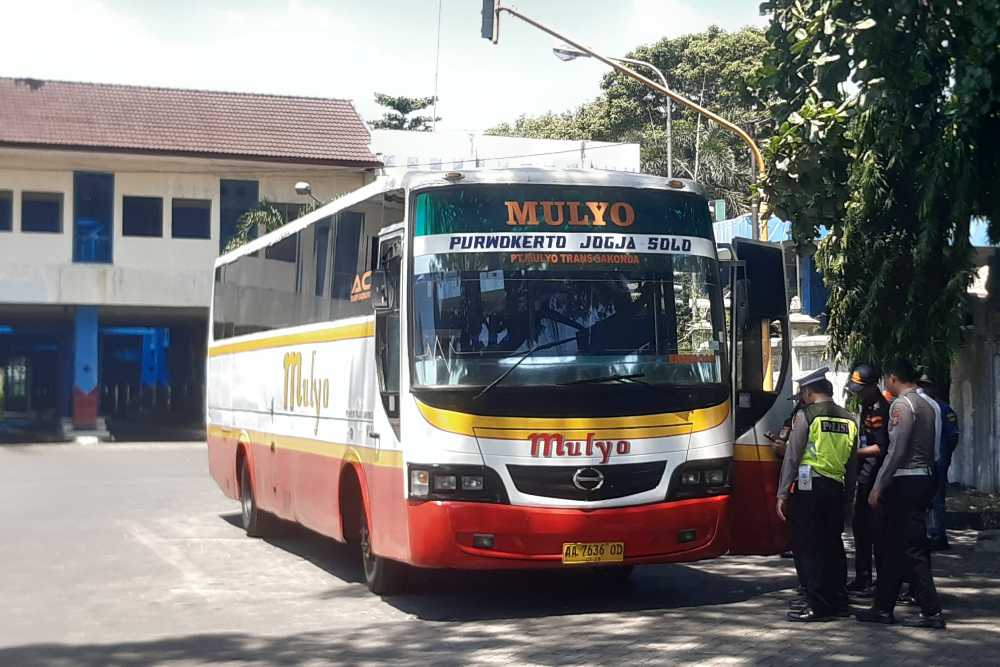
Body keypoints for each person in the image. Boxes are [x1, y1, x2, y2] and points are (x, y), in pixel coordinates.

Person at [856, 358, 946, 629]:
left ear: (893, 378)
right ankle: (883, 607)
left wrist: (879, 485)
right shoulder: (930, 405)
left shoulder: (901, 405)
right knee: (893, 546)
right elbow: (938, 448)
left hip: (904, 482)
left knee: (910, 547)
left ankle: (931, 610)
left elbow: (896, 450)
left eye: (886, 380)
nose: (885, 384)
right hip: (925, 477)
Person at [777, 368, 859, 622]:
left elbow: (792, 456)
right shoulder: (850, 419)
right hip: (836, 488)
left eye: (803, 392)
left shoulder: (806, 416)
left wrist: (782, 493)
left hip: (809, 488)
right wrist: (848, 498)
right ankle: (839, 601)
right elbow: (853, 464)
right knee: (833, 546)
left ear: (809, 392)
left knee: (809, 547)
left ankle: (818, 605)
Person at [845, 363, 890, 596]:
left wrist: (853, 453)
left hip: (873, 476)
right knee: (860, 529)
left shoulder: (880, 409)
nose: (857, 393)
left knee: (874, 531)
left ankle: (879, 582)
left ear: (873, 386)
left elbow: (881, 447)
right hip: (864, 475)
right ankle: (863, 577)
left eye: (861, 389)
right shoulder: (867, 405)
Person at [918, 376, 960, 551]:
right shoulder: (923, 408)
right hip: (927, 461)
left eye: (926, 386)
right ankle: (929, 534)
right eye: (921, 386)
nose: (923, 390)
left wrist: (944, 458)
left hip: (938, 461)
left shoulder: (943, 409)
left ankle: (938, 535)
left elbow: (952, 436)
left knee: (936, 499)